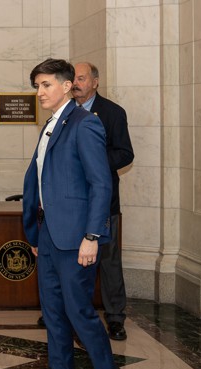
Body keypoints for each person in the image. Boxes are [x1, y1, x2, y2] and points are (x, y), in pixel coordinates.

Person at [22, 58, 124, 369]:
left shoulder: (84, 124)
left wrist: (92, 235)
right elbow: (42, 183)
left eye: (46, 84)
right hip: (49, 236)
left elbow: (100, 184)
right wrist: (36, 234)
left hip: (77, 238)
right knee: (52, 314)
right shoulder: (50, 125)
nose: (39, 92)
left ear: (67, 86)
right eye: (37, 85)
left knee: (80, 314)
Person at [72, 61, 135, 341]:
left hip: (104, 203)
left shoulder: (112, 113)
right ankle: (70, 312)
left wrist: (92, 163)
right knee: (71, 260)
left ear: (95, 82)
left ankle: (115, 318)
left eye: (82, 78)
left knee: (108, 261)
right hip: (72, 203)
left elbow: (125, 153)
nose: (76, 83)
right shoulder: (65, 112)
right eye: (73, 78)